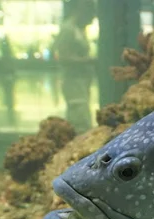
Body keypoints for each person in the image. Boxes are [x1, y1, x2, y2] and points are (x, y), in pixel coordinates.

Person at [53, 0, 96, 133]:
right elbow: (63, 57)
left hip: (82, 82)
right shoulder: (68, 29)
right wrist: (87, 61)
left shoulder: (79, 29)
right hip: (73, 83)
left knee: (83, 116)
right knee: (80, 120)